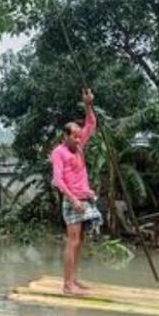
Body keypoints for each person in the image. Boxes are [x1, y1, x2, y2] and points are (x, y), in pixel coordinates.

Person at [51, 88, 102, 295]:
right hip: (72, 201)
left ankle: (74, 279)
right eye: (75, 136)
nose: (79, 140)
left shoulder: (79, 146)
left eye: (80, 137)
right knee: (72, 242)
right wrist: (73, 200)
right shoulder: (59, 152)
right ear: (66, 136)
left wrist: (88, 104)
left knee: (80, 241)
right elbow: (58, 181)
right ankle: (67, 285)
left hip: (84, 199)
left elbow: (91, 124)